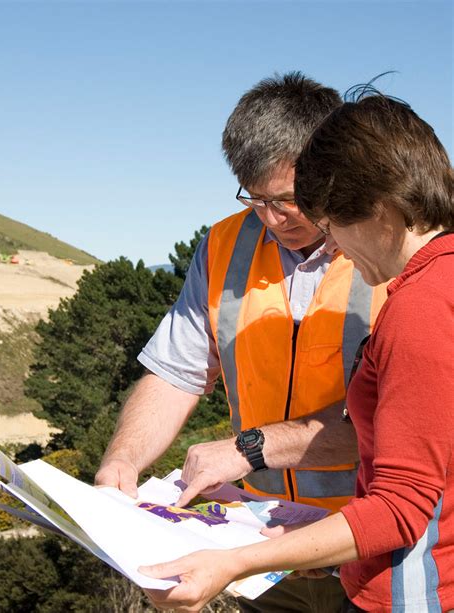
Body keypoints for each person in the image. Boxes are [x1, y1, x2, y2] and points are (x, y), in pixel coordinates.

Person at [139, 93, 454, 613]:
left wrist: (233, 563)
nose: (337, 250)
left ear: (378, 207)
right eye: (255, 201)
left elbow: (401, 507)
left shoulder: (420, 304)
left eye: (331, 226)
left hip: (407, 586)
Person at [96, 73, 386, 612]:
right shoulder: (223, 244)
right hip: (261, 555)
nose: (272, 219)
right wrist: (122, 461)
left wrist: (247, 448)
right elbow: (175, 372)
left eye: (289, 199)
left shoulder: (393, 249)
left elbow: (400, 422)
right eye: (254, 199)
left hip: (377, 549)